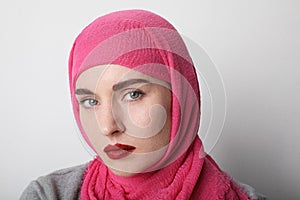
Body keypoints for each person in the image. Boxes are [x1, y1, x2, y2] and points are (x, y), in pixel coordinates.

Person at [20, 9, 265, 200]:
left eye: (133, 94)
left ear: (180, 97)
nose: (107, 127)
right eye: (90, 101)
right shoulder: (49, 194)